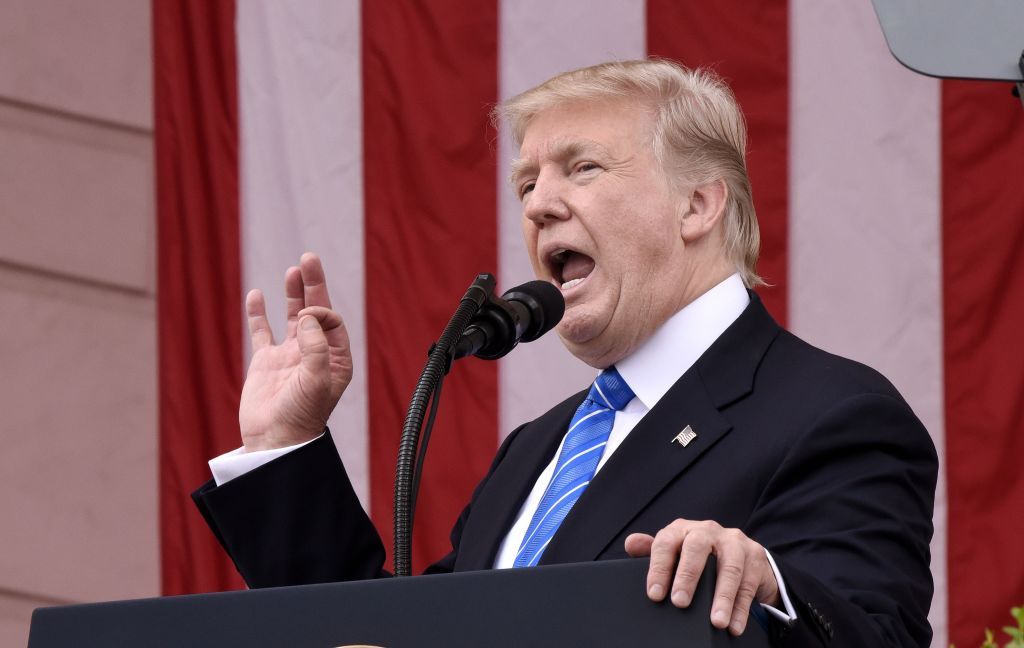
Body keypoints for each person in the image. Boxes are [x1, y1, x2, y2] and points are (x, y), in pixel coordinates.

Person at [193, 59, 937, 647]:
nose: (538, 204)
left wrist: (766, 585)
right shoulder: (535, 450)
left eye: (582, 169)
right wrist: (283, 445)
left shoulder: (831, 413)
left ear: (698, 206)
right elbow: (382, 639)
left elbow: (872, 631)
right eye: (526, 183)